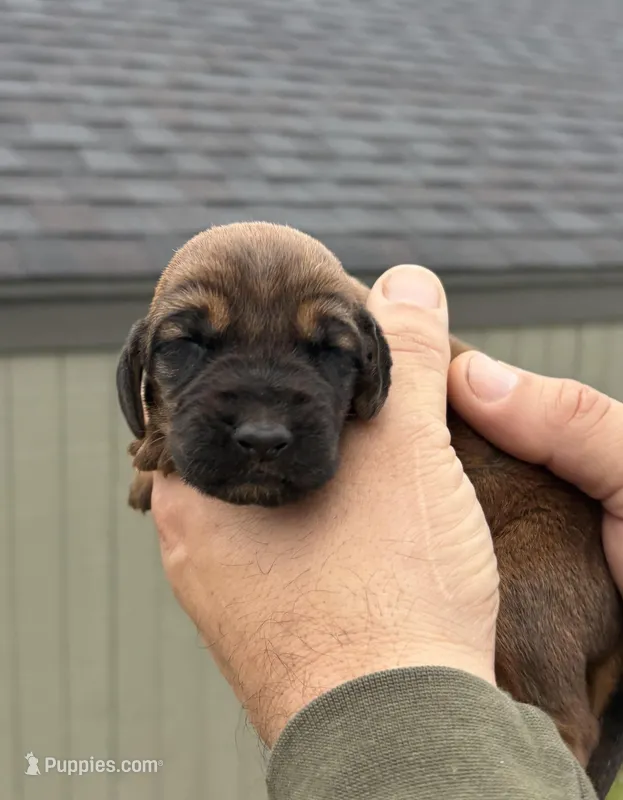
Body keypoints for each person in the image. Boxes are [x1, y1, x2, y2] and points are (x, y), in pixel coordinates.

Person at [151, 264, 623, 800]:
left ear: (369, 354)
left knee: (540, 655)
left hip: (546, 543)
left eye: (328, 353)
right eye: (188, 348)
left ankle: (562, 733)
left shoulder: (389, 363)